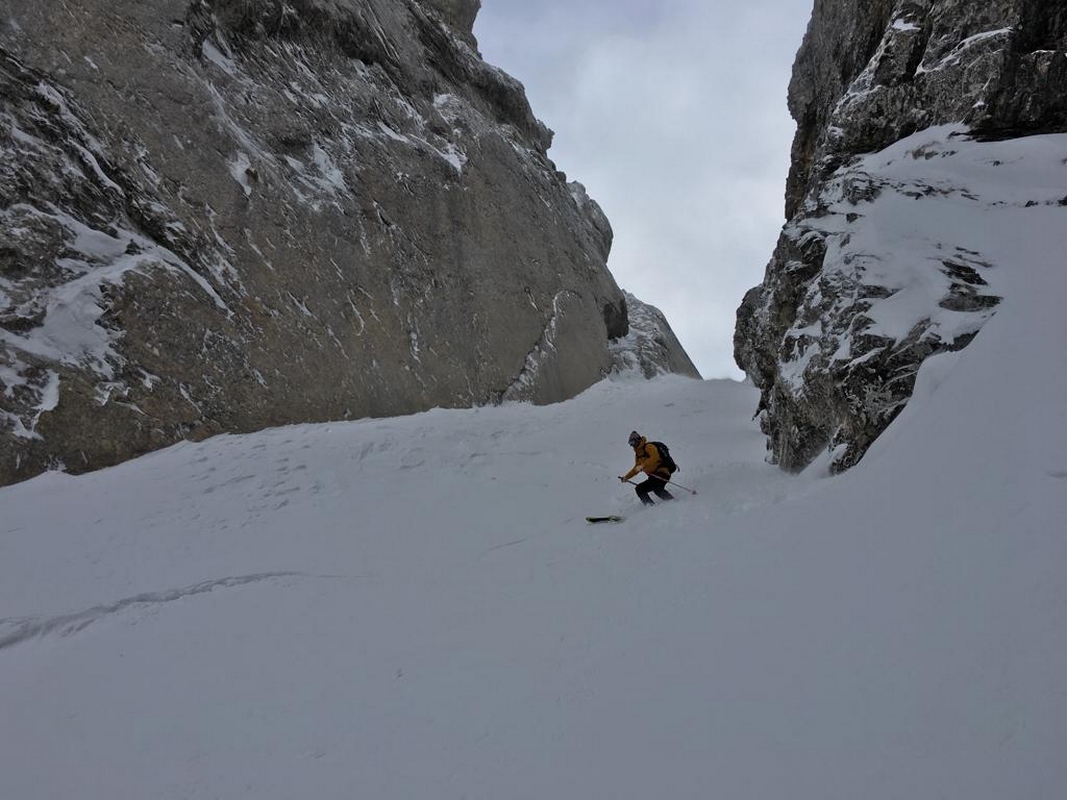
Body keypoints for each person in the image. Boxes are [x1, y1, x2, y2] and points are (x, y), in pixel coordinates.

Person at [619, 430, 675, 506]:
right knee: (639, 489)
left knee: (657, 488)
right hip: (653, 476)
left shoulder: (648, 447)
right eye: (630, 443)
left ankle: (673, 503)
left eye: (633, 442)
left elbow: (655, 457)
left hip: (662, 472)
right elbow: (636, 468)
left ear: (638, 440)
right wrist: (626, 477)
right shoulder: (638, 455)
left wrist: (643, 465)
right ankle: (651, 507)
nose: (632, 445)